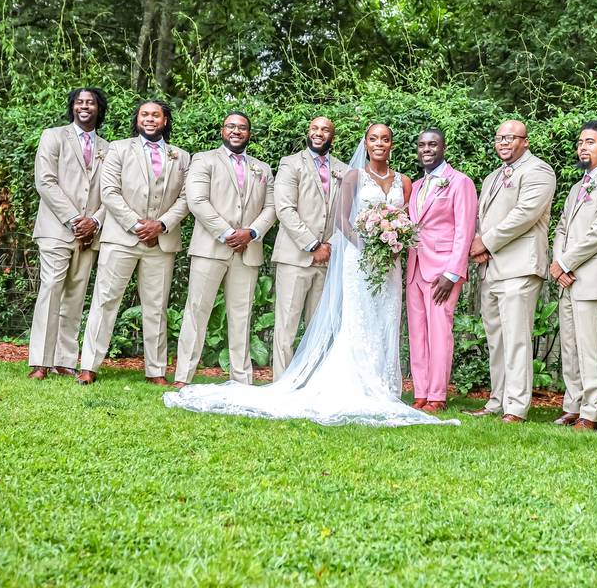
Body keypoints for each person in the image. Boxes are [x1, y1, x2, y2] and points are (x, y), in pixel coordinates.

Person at [164, 124, 459, 427]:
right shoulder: (352, 176)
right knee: (352, 320)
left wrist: (393, 242)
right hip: (359, 259)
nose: (379, 143)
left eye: (385, 139)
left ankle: (384, 385)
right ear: (366, 143)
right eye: (373, 139)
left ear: (392, 144)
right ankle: (335, 382)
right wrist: (367, 246)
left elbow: (407, 220)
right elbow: (343, 220)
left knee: (386, 319)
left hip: (391, 263)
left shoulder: (404, 182)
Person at [77, 100, 191, 386]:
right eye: (144, 114)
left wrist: (161, 224)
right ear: (137, 120)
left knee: (156, 306)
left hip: (161, 242)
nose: (150, 119)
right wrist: (137, 224)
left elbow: (187, 198)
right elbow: (109, 191)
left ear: (165, 121)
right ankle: (89, 366)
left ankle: (156, 370)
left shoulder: (182, 156)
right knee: (105, 301)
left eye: (156, 115)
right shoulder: (118, 148)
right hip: (121, 238)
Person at [173, 112, 276, 388]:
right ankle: (184, 375)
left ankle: (241, 378)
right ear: (222, 130)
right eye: (231, 126)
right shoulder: (204, 160)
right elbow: (197, 201)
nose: (236, 131)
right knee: (197, 311)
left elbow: (271, 207)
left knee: (242, 315)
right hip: (210, 248)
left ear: (249, 134)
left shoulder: (262, 169)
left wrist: (251, 233)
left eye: (242, 128)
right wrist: (229, 233)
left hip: (248, 251)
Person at [466, 120, 556, 423]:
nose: (503, 143)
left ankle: (516, 407)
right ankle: (497, 400)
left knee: (517, 338)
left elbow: (524, 215)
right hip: (492, 268)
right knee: (496, 338)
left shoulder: (539, 172)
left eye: (510, 137)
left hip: (519, 266)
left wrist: (485, 242)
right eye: (499, 138)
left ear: (525, 141)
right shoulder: (493, 176)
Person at [550, 120, 597, 431]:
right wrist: (558, 264)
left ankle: (591, 413)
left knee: (589, 346)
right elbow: (562, 228)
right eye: (580, 142)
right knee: (569, 345)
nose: (582, 147)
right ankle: (573, 405)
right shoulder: (576, 187)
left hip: (591, 277)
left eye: (590, 142)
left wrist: (565, 263)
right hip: (567, 276)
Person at [28, 87, 110, 380]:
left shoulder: (108, 148)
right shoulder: (53, 137)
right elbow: (45, 182)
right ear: (72, 107)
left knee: (76, 295)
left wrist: (95, 223)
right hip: (56, 228)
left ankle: (64, 359)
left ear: (99, 108)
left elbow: (111, 192)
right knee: (51, 289)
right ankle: (40, 360)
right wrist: (76, 220)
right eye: (79, 102)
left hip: (89, 234)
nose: (84, 106)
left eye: (90, 102)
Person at [271, 116, 348, 379]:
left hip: (328, 258)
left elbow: (348, 216)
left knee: (319, 327)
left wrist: (329, 246)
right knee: (287, 326)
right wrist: (312, 244)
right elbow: (284, 208)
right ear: (308, 132)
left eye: (325, 129)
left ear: (332, 136)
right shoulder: (290, 164)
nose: (319, 133)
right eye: (314, 128)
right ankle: (282, 382)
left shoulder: (345, 170)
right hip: (295, 257)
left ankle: (313, 382)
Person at [406, 128, 477, 412]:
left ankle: (437, 395)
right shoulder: (418, 186)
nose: (427, 149)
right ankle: (421, 392)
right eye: (422, 144)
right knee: (417, 333)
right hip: (415, 269)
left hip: (443, 272)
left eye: (432, 144)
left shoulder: (460, 183)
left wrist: (453, 272)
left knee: (439, 332)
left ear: (443, 147)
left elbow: (465, 229)